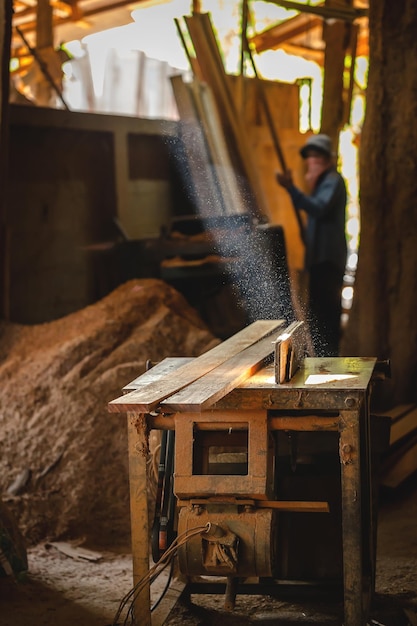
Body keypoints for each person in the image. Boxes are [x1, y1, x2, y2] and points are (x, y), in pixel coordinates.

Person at [276, 133, 347, 357]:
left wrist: (291, 189)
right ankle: (321, 360)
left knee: (326, 317)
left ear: (326, 159)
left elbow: (318, 208)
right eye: (309, 156)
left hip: (328, 262)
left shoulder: (332, 181)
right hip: (317, 261)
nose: (311, 161)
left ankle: (329, 362)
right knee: (316, 315)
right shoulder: (319, 185)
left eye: (316, 156)